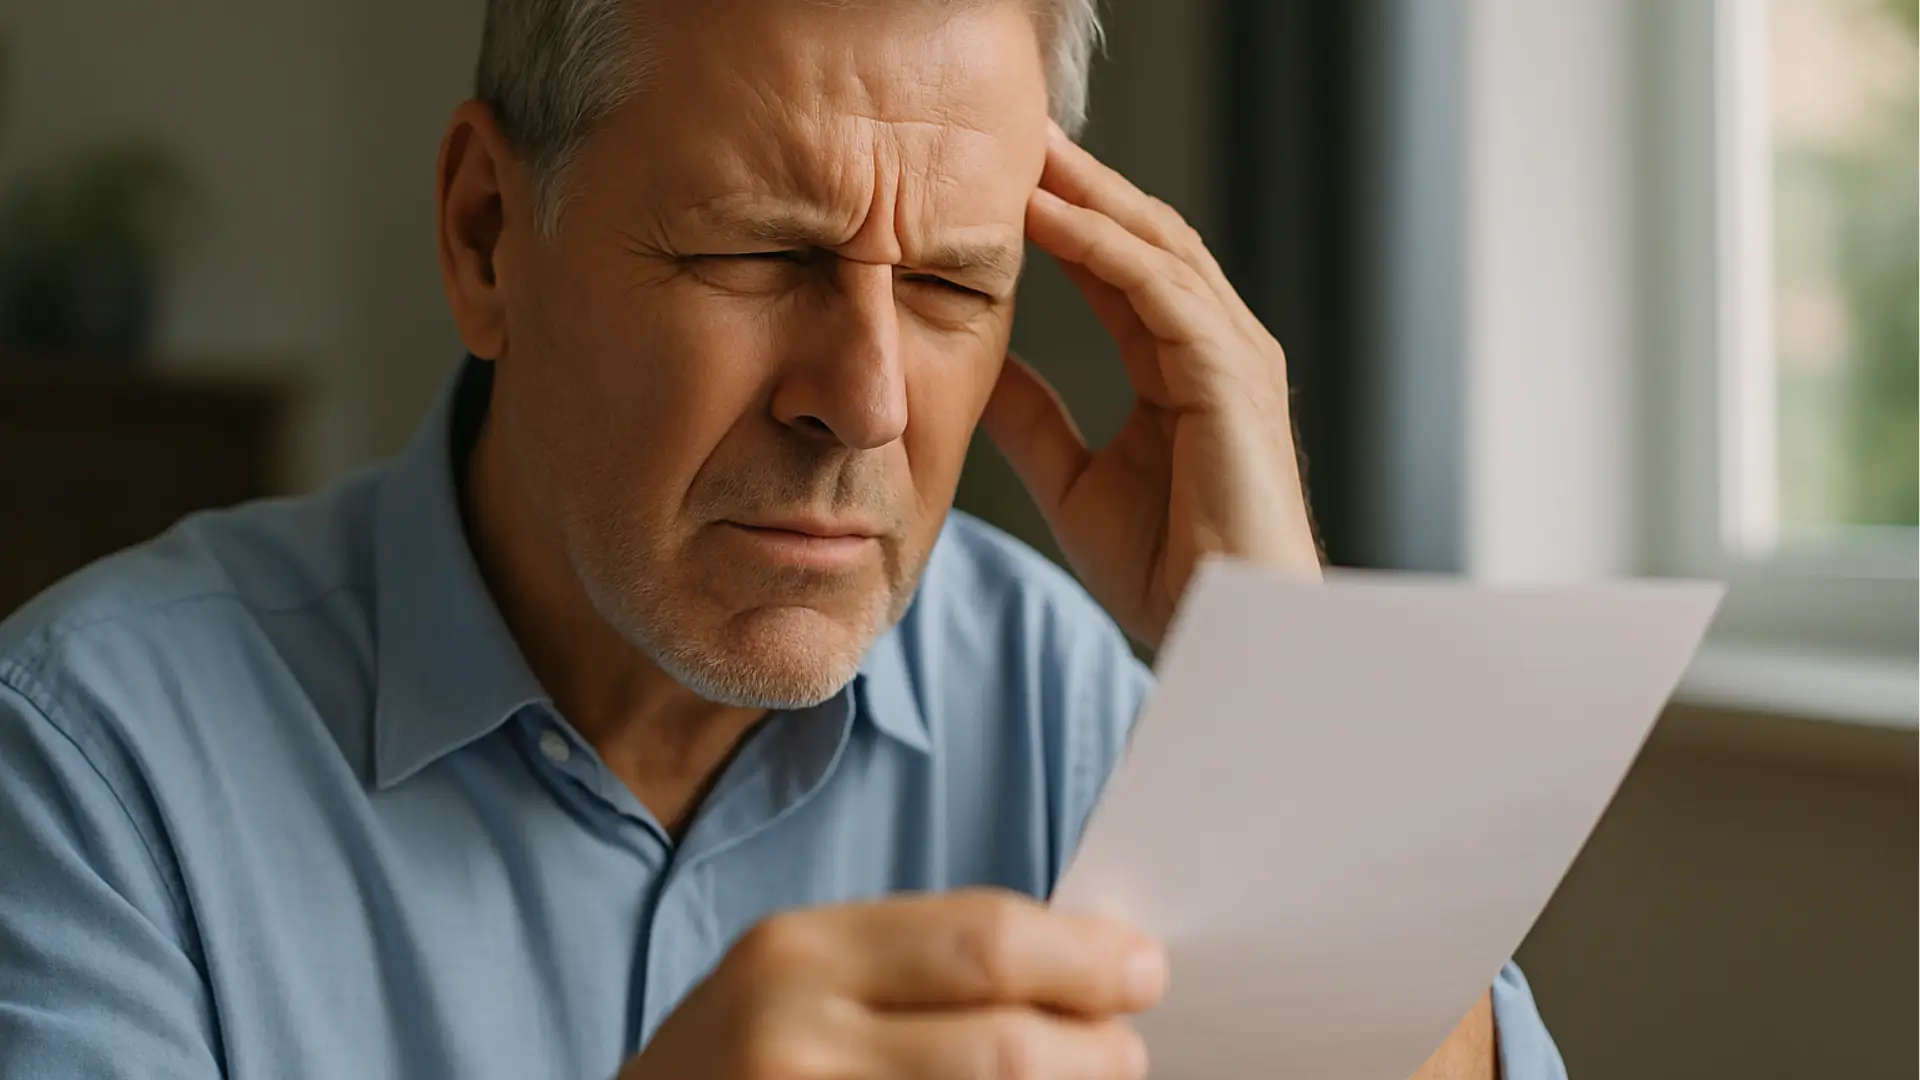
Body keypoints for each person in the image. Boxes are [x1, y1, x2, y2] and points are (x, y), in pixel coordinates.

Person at [0, 1, 1567, 1077]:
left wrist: (1280, 664)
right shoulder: (88, 771)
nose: (868, 401)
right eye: (758, 253)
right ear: (489, 238)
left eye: (954, 284)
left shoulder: (1079, 715)